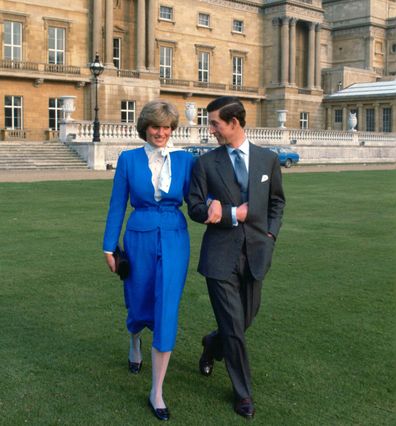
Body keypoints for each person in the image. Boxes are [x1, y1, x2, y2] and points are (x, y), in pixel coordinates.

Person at [187, 96, 285, 419]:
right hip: (219, 258)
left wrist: (270, 236)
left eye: (214, 123)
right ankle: (243, 394)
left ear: (234, 123)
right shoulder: (205, 163)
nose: (210, 129)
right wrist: (229, 213)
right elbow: (196, 208)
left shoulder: (267, 160)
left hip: (257, 254)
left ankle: (211, 345)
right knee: (233, 326)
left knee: (243, 322)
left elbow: (276, 204)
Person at [103, 100, 194, 421]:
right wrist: (108, 247)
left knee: (166, 305)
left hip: (174, 237)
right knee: (137, 299)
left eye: (167, 127)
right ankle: (134, 340)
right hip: (138, 235)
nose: (161, 133)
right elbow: (117, 205)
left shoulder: (186, 160)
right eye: (156, 127)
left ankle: (156, 390)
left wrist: (218, 207)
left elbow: (197, 197)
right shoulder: (128, 160)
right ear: (145, 128)